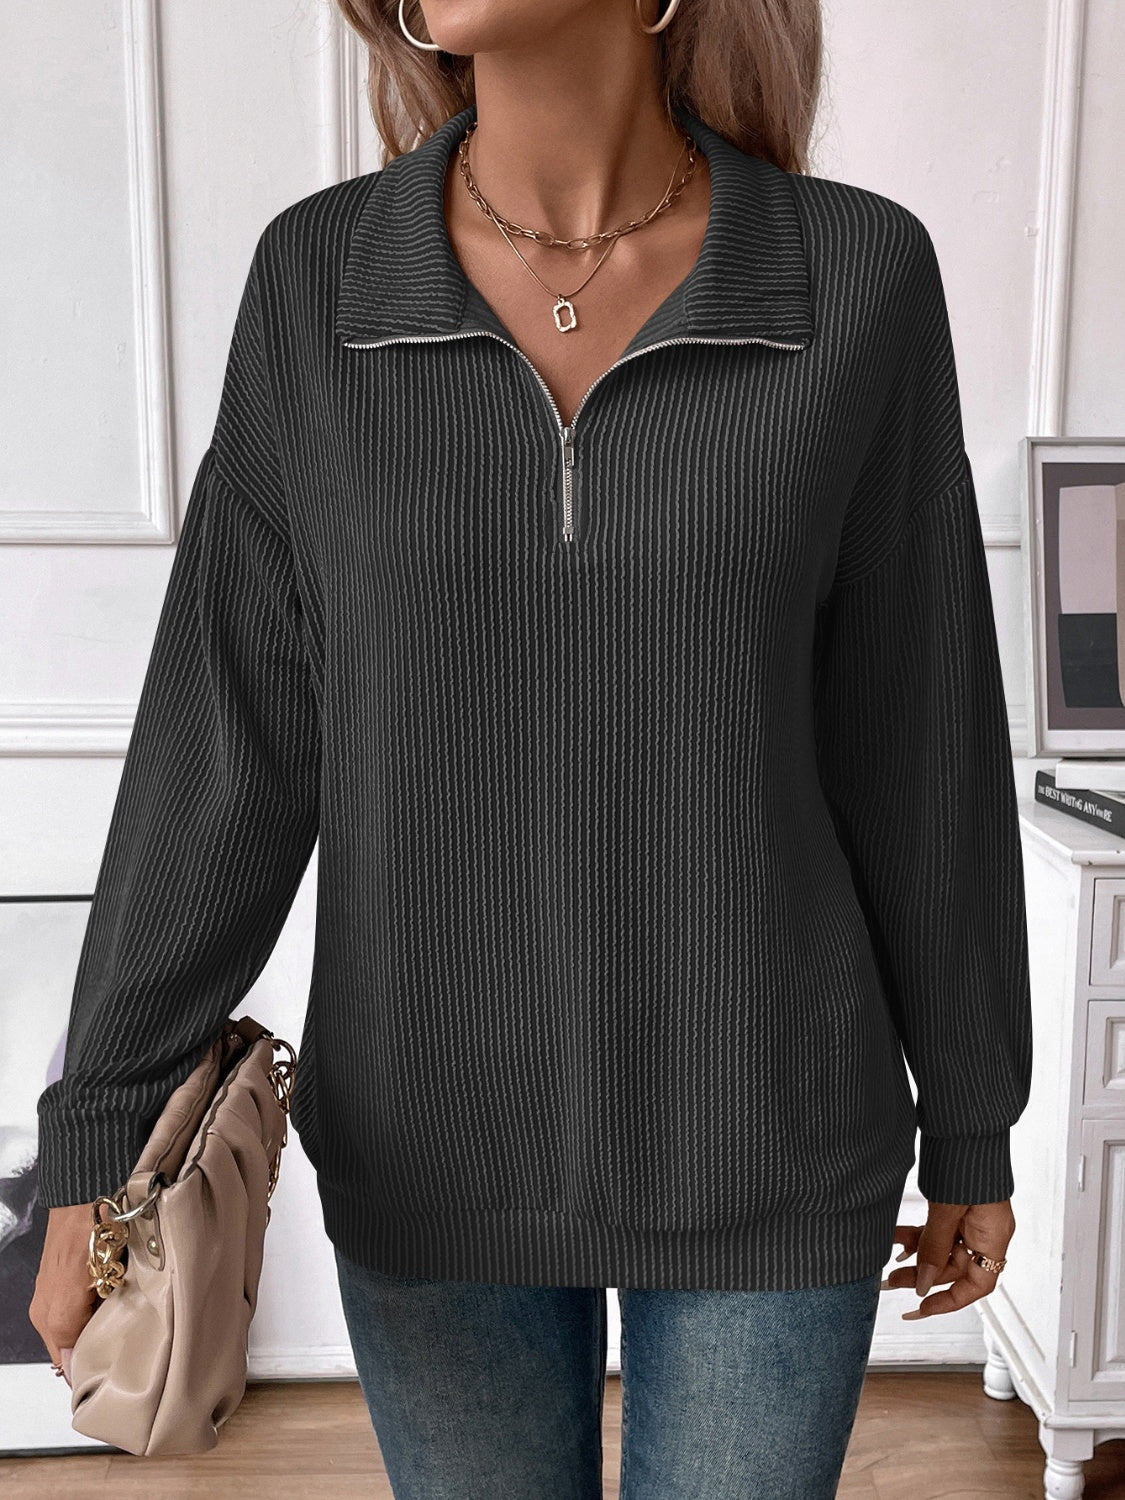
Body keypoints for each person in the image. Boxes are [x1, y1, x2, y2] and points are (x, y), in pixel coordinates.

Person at [30, 0, 1032, 1494]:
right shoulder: (321, 279)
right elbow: (224, 743)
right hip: (432, 1127)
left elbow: (919, 738)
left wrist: (970, 1116)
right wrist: (99, 1135)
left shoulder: (852, 275)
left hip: (772, 1123)